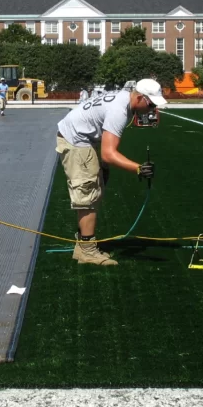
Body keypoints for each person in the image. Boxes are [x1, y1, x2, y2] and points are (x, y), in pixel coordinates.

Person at [55, 79, 163, 266]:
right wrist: (137, 168)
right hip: (77, 140)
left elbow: (105, 154)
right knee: (88, 193)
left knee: (96, 187)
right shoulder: (119, 111)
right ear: (139, 98)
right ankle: (86, 251)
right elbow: (108, 153)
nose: (152, 108)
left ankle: (84, 243)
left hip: (83, 138)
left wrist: (103, 167)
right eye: (151, 103)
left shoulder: (124, 99)